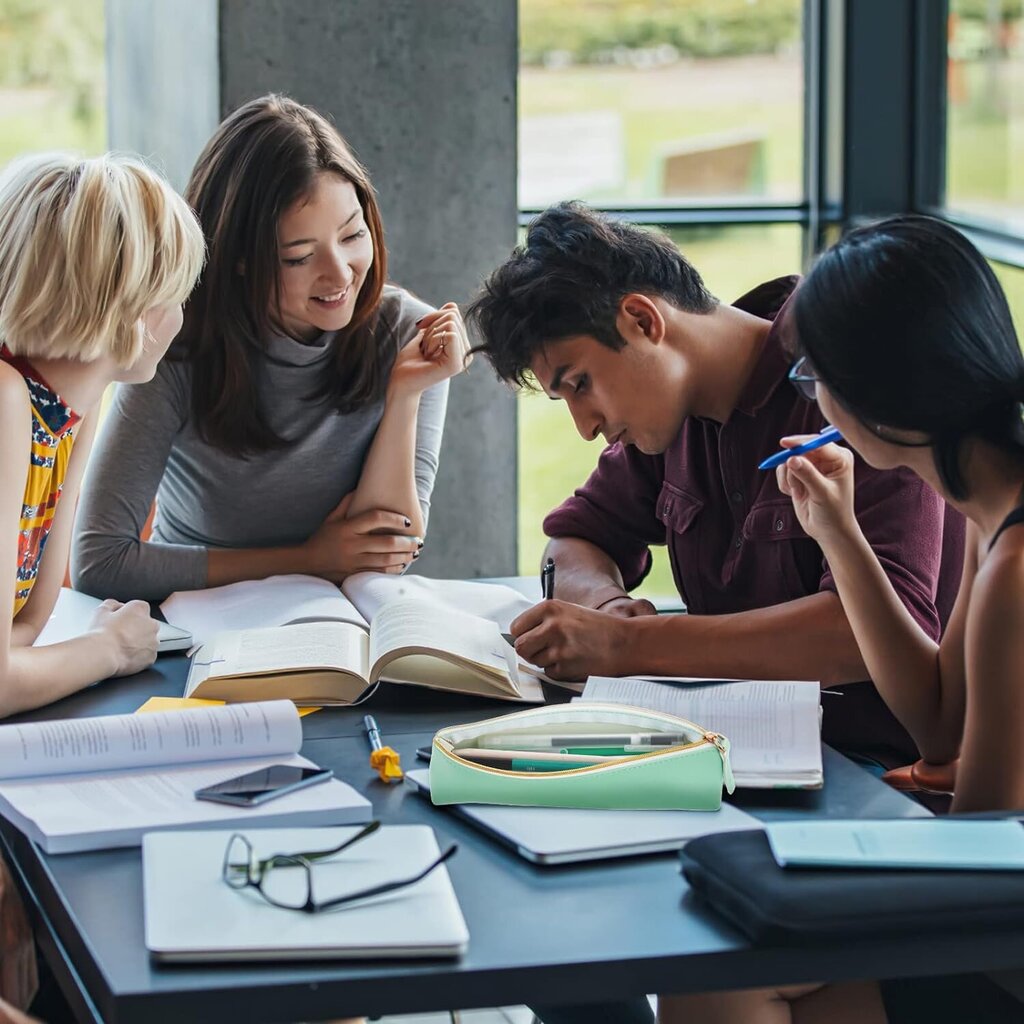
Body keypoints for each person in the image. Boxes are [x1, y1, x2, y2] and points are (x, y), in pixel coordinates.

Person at [658, 215, 1024, 1022]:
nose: (810, 396)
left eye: (812, 377)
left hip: (1002, 933)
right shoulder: (991, 506)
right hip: (994, 886)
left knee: (718, 965)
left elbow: (984, 855)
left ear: (875, 395)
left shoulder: (1013, 569)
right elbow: (937, 724)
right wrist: (841, 534)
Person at [468, 200, 963, 771]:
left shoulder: (842, 381)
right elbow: (576, 538)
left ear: (642, 320)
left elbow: (867, 634)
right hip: (729, 749)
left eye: (581, 384)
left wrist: (630, 648)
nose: (585, 428)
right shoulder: (666, 423)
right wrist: (609, 609)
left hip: (876, 772)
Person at [72, 95, 470, 602]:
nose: (340, 273)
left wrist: (406, 395)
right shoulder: (175, 344)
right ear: (239, 259)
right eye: (299, 257)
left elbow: (390, 546)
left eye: (352, 235)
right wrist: (308, 560)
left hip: (337, 626)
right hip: (197, 627)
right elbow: (99, 560)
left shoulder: (405, 332)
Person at [0, 150, 205, 1017]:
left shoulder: (43, 404)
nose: (183, 315)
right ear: (133, 307)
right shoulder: (6, 404)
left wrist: (80, 426)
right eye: (174, 291)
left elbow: (24, 621)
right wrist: (113, 648)